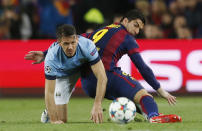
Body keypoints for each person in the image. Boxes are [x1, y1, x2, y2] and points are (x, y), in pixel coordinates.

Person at [25, 9, 182, 123]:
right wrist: (160, 90)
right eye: (136, 25)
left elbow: (77, 38)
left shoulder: (106, 28)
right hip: (106, 75)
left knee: (129, 99)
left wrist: (45, 53)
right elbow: (142, 67)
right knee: (143, 95)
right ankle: (154, 116)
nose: (136, 31)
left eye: (140, 28)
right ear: (125, 21)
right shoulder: (127, 38)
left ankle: (51, 111)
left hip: (87, 81)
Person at [25, 24, 107, 124]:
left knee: (104, 77)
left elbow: (102, 77)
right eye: (66, 44)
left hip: (84, 67)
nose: (70, 47)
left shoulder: (87, 45)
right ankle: (50, 110)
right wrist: (54, 120)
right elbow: (49, 92)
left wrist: (97, 104)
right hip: (64, 75)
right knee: (62, 120)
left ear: (77, 39)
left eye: (73, 42)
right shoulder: (51, 57)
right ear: (59, 42)